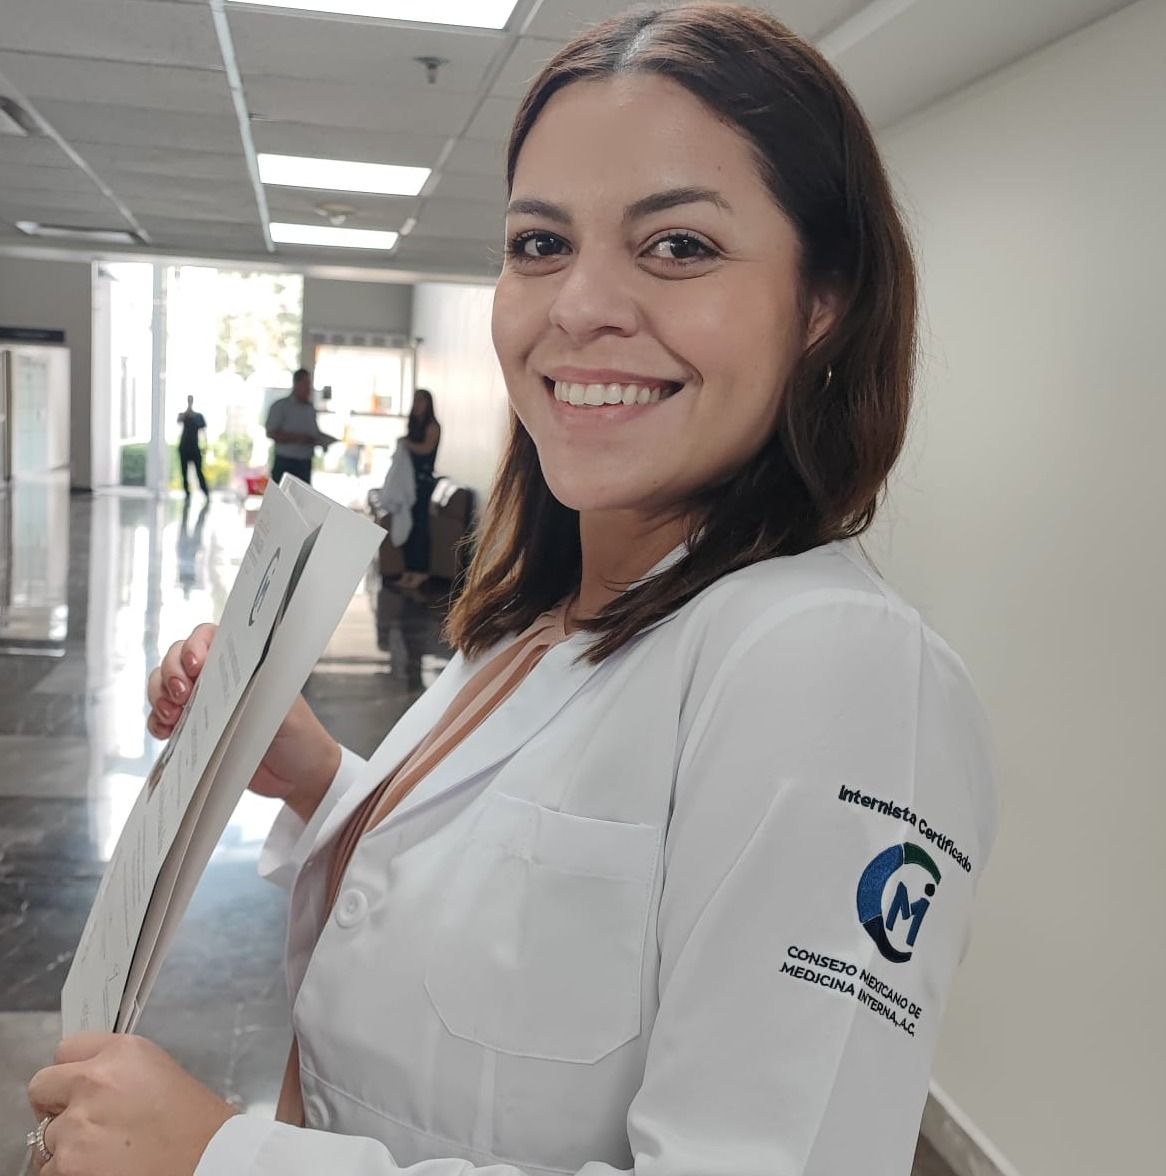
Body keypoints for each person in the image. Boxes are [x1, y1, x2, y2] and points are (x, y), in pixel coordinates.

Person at [28, 7, 998, 1176]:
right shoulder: (548, 617)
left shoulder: (838, 669)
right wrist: (325, 782)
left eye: (677, 245)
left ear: (824, 302)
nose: (578, 305)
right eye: (540, 242)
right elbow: (533, 922)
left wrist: (218, 1162)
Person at [397, 388, 441, 589]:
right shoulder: (414, 424)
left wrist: (406, 444)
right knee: (408, 524)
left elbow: (426, 449)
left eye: (421, 401)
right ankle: (409, 569)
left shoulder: (433, 426)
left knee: (420, 525)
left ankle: (421, 571)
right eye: (415, 401)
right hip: (409, 481)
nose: (417, 405)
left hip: (423, 482)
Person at [265, 368, 332, 485]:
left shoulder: (309, 409)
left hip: (305, 463)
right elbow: (271, 432)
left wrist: (322, 441)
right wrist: (298, 438)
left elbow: (313, 432)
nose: (309, 388)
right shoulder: (281, 406)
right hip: (286, 462)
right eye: (306, 384)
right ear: (296, 384)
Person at [176, 395, 208, 499]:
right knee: (184, 472)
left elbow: (203, 431)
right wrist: (187, 410)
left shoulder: (198, 416)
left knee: (199, 471)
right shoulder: (184, 415)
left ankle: (205, 492)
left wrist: (205, 445)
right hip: (184, 447)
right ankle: (187, 493)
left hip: (194, 447)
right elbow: (179, 420)